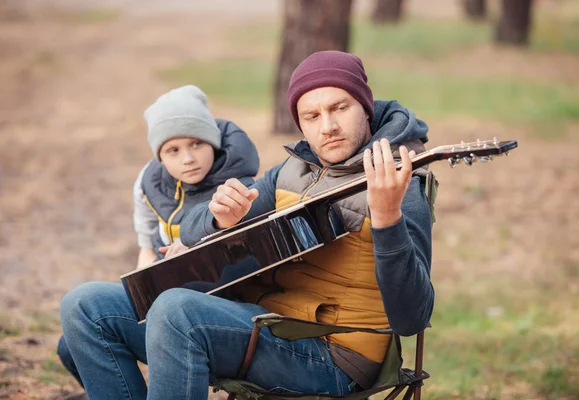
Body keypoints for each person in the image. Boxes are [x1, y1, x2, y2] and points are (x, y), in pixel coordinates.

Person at [59, 51, 434, 400]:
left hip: (335, 354)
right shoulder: (294, 169)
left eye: (340, 108)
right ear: (299, 122)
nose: (329, 127)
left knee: (177, 312)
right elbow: (191, 228)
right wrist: (219, 217)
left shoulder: (398, 183)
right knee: (86, 306)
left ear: (365, 108)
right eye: (312, 116)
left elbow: (411, 317)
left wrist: (387, 221)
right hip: (264, 324)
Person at [57, 84, 260, 392]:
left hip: (213, 307)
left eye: (197, 144)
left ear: (214, 144)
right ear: (160, 156)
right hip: (164, 292)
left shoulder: (236, 189)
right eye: (173, 150)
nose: (188, 159)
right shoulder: (152, 183)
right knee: (71, 343)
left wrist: (195, 252)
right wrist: (148, 261)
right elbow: (146, 228)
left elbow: (242, 260)